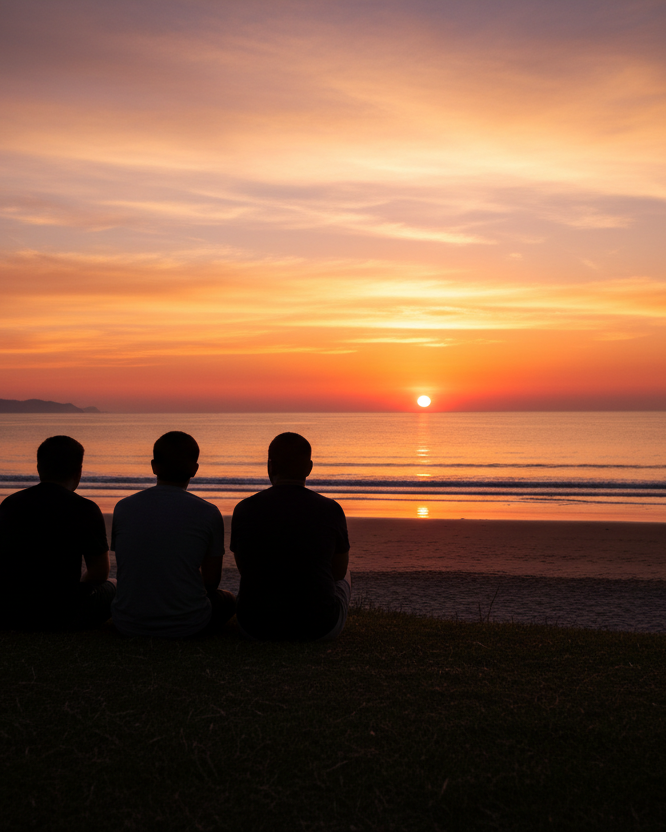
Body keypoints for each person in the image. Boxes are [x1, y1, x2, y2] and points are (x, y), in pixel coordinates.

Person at [111, 431, 236, 638]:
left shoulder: (124, 507)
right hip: (190, 624)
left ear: (154, 466)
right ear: (194, 469)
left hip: (127, 622)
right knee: (228, 599)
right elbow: (211, 581)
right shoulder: (208, 512)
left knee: (113, 584)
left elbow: (129, 564)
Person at [230, 432, 351, 641]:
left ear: (271, 466)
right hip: (320, 628)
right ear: (309, 468)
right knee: (347, 573)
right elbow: (338, 572)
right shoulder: (331, 509)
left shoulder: (244, 508)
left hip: (254, 627)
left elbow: (244, 568)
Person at [0, 435, 115, 630]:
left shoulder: (10, 503)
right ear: (78, 472)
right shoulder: (85, 508)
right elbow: (99, 572)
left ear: (39, 468)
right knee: (114, 585)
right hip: (63, 614)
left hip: (12, 611)